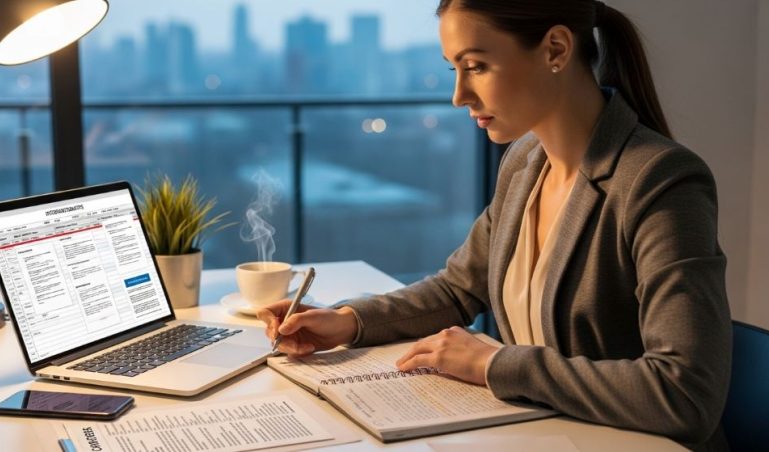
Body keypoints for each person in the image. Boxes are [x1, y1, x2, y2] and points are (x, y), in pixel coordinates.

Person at [258, 1, 731, 450]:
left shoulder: (660, 180)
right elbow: (457, 289)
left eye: (477, 66)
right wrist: (347, 322)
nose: (458, 95)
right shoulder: (525, 160)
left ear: (556, 50)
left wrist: (495, 363)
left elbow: (685, 393)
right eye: (454, 69)